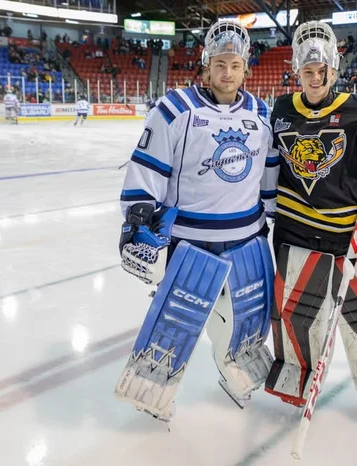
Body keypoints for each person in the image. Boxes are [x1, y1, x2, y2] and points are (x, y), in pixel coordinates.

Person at [114, 19, 279, 421]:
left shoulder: (261, 113)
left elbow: (270, 176)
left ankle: (240, 375)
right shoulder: (175, 108)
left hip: (247, 239)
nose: (227, 73)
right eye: (220, 64)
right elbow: (146, 170)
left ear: (245, 69)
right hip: (188, 242)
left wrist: (278, 219)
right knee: (176, 322)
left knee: (247, 320)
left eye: (235, 65)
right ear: (206, 64)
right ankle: (152, 389)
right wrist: (138, 221)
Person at [265, 21, 357, 415]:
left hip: (349, 239)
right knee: (292, 314)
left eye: (322, 72)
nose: (315, 79)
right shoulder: (280, 111)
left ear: (335, 70)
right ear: (296, 71)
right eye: (307, 72)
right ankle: (293, 378)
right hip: (294, 235)